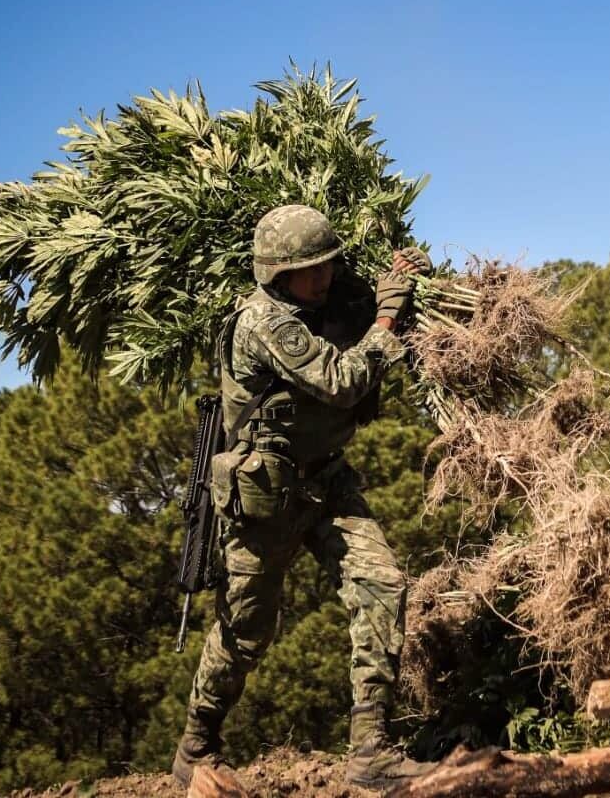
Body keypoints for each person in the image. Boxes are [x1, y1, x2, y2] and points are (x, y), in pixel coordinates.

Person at [172, 204, 434, 789]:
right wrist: (386, 322)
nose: (324, 277)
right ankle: (197, 744)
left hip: (328, 483)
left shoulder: (331, 304)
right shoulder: (265, 323)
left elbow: (362, 319)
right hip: (267, 496)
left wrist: (394, 281)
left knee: (382, 584)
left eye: (328, 266)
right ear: (277, 274)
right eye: (310, 270)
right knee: (246, 631)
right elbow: (341, 382)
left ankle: (371, 750)